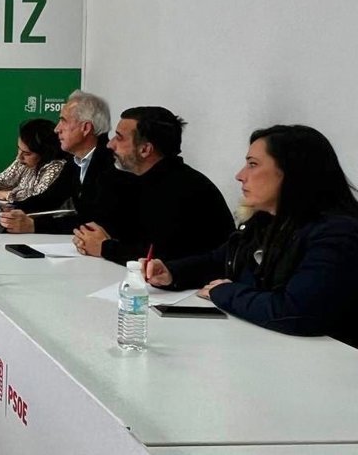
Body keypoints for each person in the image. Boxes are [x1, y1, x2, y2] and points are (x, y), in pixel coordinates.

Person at [146, 125, 358, 347]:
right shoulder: (264, 220)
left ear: (292, 172)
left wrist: (225, 292)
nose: (240, 176)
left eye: (253, 164)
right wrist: (172, 273)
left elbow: (297, 312)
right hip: (267, 345)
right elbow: (219, 261)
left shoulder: (337, 232)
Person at [74, 106, 233, 263]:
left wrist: (105, 247)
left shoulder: (184, 189)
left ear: (145, 150)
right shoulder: (137, 180)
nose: (110, 144)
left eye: (119, 138)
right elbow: (122, 232)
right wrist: (89, 238)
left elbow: (161, 257)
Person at [0, 90, 136, 234]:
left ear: (85, 128)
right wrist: (10, 208)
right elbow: (51, 198)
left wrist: (34, 225)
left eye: (63, 121)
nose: (57, 129)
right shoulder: (75, 160)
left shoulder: (113, 164)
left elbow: (94, 220)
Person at [0, 118, 74, 213]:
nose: (19, 157)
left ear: (45, 154)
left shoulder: (57, 167)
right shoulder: (23, 161)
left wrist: (2, 194)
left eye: (27, 153)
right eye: (19, 149)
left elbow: (37, 198)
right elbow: (1, 181)